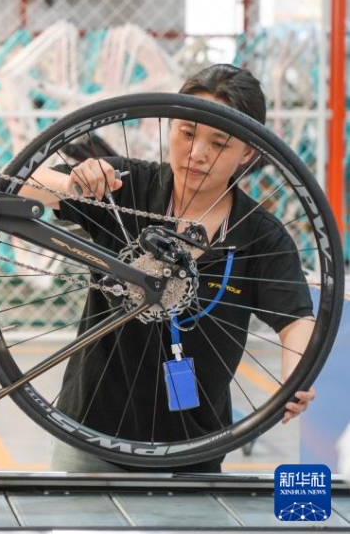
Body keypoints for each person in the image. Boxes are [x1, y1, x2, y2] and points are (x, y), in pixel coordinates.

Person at [25, 64, 315, 473]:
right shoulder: (128, 186)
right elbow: (16, 185)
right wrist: (74, 182)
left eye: (219, 142)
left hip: (194, 446)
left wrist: (295, 374)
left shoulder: (260, 235)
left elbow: (296, 318)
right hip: (92, 430)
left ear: (248, 152)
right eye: (187, 132)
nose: (197, 153)